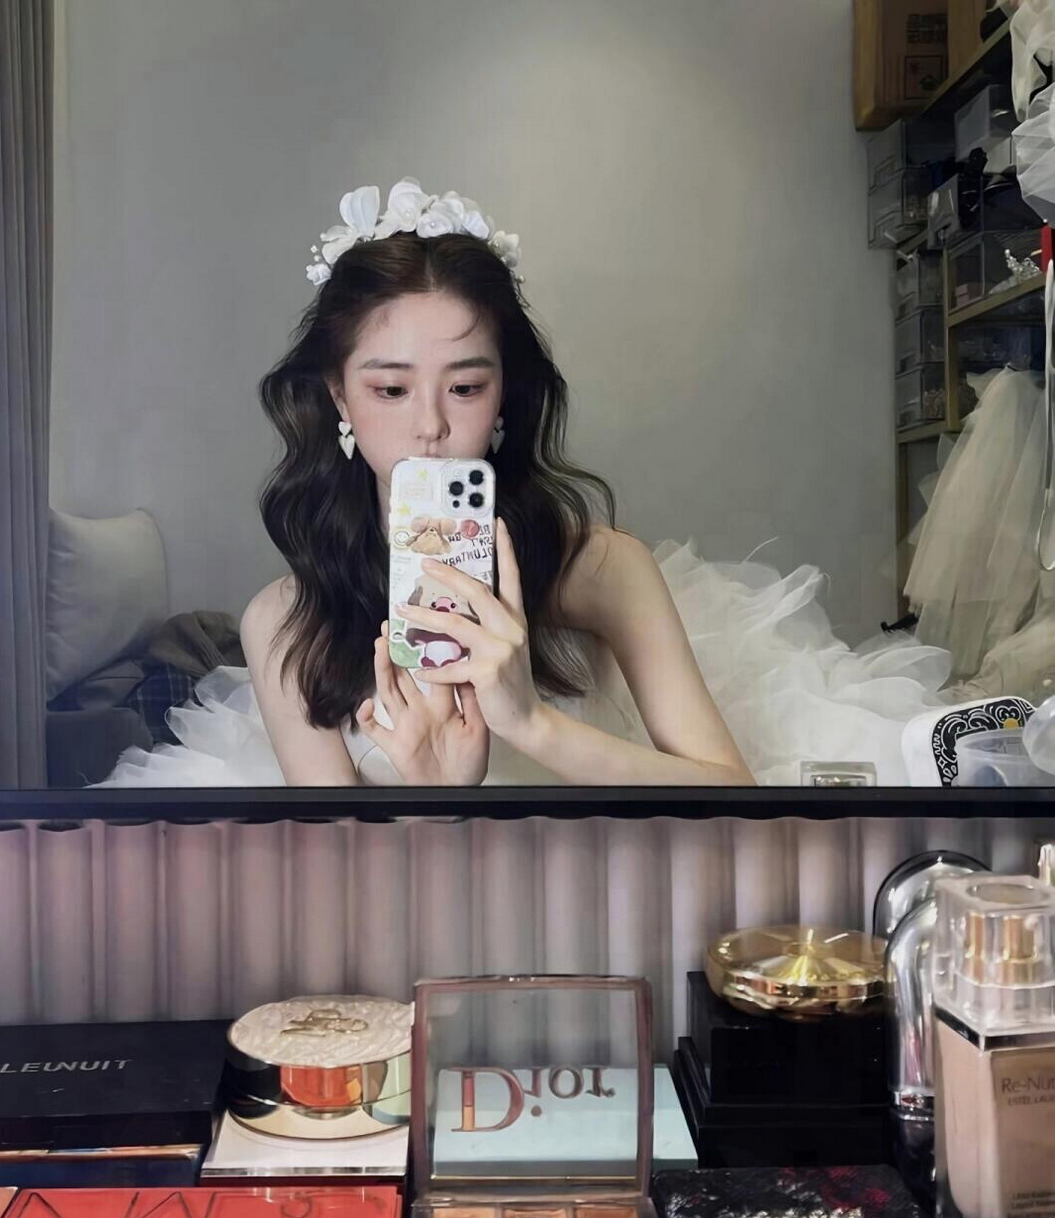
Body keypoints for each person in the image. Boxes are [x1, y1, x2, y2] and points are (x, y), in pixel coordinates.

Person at [99, 178, 951, 789]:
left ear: (506, 396)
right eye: (390, 390)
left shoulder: (602, 569)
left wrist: (529, 723)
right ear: (338, 399)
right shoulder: (286, 622)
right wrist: (438, 795)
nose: (430, 426)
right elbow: (347, 890)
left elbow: (728, 790)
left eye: (466, 386)